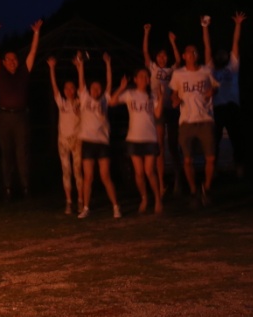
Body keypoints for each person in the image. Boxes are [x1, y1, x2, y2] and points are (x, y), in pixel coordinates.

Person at [0, 19, 42, 199]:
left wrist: (36, 33)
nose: (12, 61)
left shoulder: (24, 72)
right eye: (9, 59)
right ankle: (8, 188)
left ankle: (25, 187)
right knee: (6, 153)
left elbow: (33, 52)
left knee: (22, 153)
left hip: (21, 118)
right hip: (4, 117)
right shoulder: (0, 72)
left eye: (14, 59)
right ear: (3, 62)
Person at [169, 32, 220, 205]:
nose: (192, 55)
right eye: (189, 52)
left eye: (195, 52)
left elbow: (216, 86)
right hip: (187, 121)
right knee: (188, 160)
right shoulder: (178, 74)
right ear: (184, 56)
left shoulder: (206, 71)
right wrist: (175, 99)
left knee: (211, 158)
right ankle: (192, 190)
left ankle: (207, 188)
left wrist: (212, 91)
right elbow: (174, 93)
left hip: (205, 119)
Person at [110, 67, 164, 213]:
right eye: (141, 76)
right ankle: (144, 198)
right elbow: (112, 102)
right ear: (135, 79)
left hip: (150, 137)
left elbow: (158, 114)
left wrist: (161, 98)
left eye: (146, 76)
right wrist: (121, 88)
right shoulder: (130, 94)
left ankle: (157, 199)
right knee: (139, 172)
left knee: (149, 171)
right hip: (134, 138)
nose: (144, 79)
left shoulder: (152, 95)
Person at [76, 52, 121, 219]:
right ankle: (86, 208)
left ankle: (116, 207)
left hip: (102, 142)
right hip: (88, 141)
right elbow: (81, 80)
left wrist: (107, 64)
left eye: (98, 88)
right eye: (93, 88)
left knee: (105, 176)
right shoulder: (84, 97)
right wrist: (81, 63)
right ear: (89, 89)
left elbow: (109, 83)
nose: (96, 90)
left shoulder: (104, 99)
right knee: (88, 177)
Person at [142, 24, 182, 195]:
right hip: (158, 109)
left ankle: (178, 178)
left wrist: (173, 42)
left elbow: (178, 60)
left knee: (173, 145)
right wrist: (146, 33)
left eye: (164, 56)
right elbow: (145, 52)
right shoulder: (153, 68)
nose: (162, 58)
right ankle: (161, 182)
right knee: (159, 145)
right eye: (159, 55)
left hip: (171, 108)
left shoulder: (171, 70)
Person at [207, 11, 247, 179]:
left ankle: (240, 168)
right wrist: (205, 28)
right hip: (217, 107)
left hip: (232, 106)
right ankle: (213, 169)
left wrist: (238, 25)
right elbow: (207, 48)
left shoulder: (233, 66)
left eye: (224, 53)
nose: (222, 55)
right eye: (219, 54)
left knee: (237, 139)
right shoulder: (211, 69)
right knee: (215, 140)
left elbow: (235, 43)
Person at [47, 55, 83, 213]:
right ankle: (69, 201)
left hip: (77, 140)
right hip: (63, 140)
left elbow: (82, 87)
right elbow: (54, 87)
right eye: (66, 88)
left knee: (78, 171)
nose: (69, 90)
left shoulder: (79, 102)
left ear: (75, 90)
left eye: (72, 88)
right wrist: (52, 68)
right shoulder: (61, 103)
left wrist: (79, 68)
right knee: (66, 171)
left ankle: (80, 200)